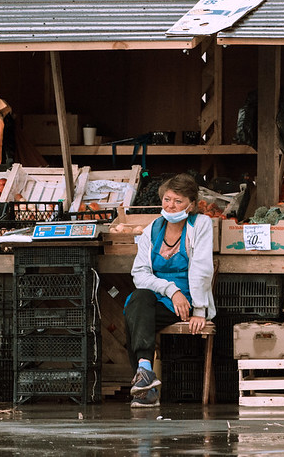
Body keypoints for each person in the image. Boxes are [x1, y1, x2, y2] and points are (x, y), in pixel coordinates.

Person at [123, 173, 216, 407]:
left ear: (191, 204)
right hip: (161, 297)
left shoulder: (200, 224)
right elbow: (140, 273)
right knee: (138, 299)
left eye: (178, 201)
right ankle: (145, 372)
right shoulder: (153, 229)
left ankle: (145, 388)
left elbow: (202, 269)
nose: (170, 205)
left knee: (136, 315)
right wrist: (170, 290)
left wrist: (199, 310)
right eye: (167, 199)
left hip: (187, 302)